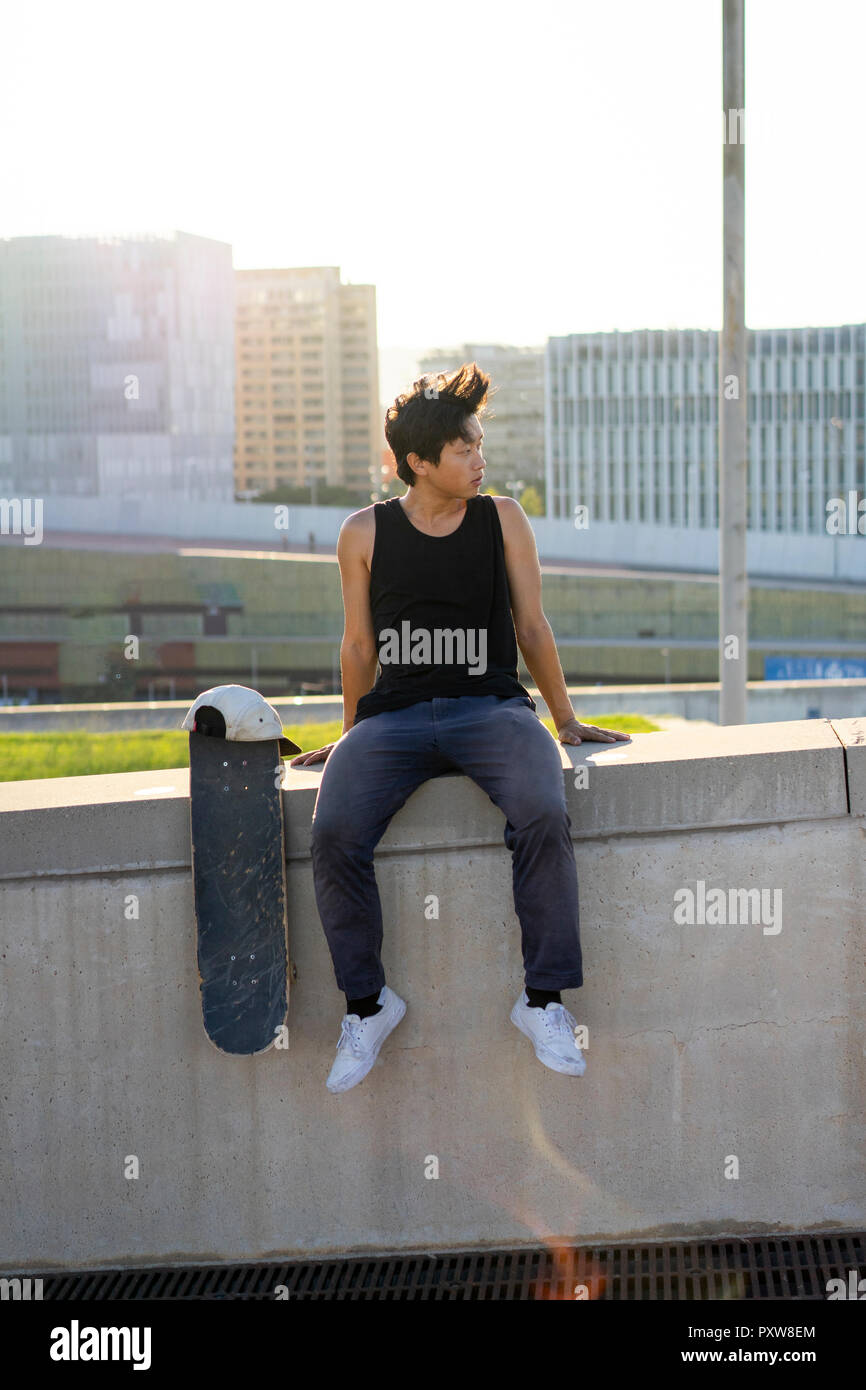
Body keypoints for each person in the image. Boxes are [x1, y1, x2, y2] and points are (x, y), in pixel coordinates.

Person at [289, 363, 629, 1093]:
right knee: (334, 831)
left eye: (480, 444)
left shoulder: (502, 517)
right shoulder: (362, 532)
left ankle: (542, 1001)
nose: (480, 459)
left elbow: (531, 625)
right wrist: (351, 736)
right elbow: (358, 647)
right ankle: (368, 1004)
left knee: (542, 808)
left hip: (493, 711)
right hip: (396, 717)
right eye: (464, 449)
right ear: (419, 462)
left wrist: (564, 719)